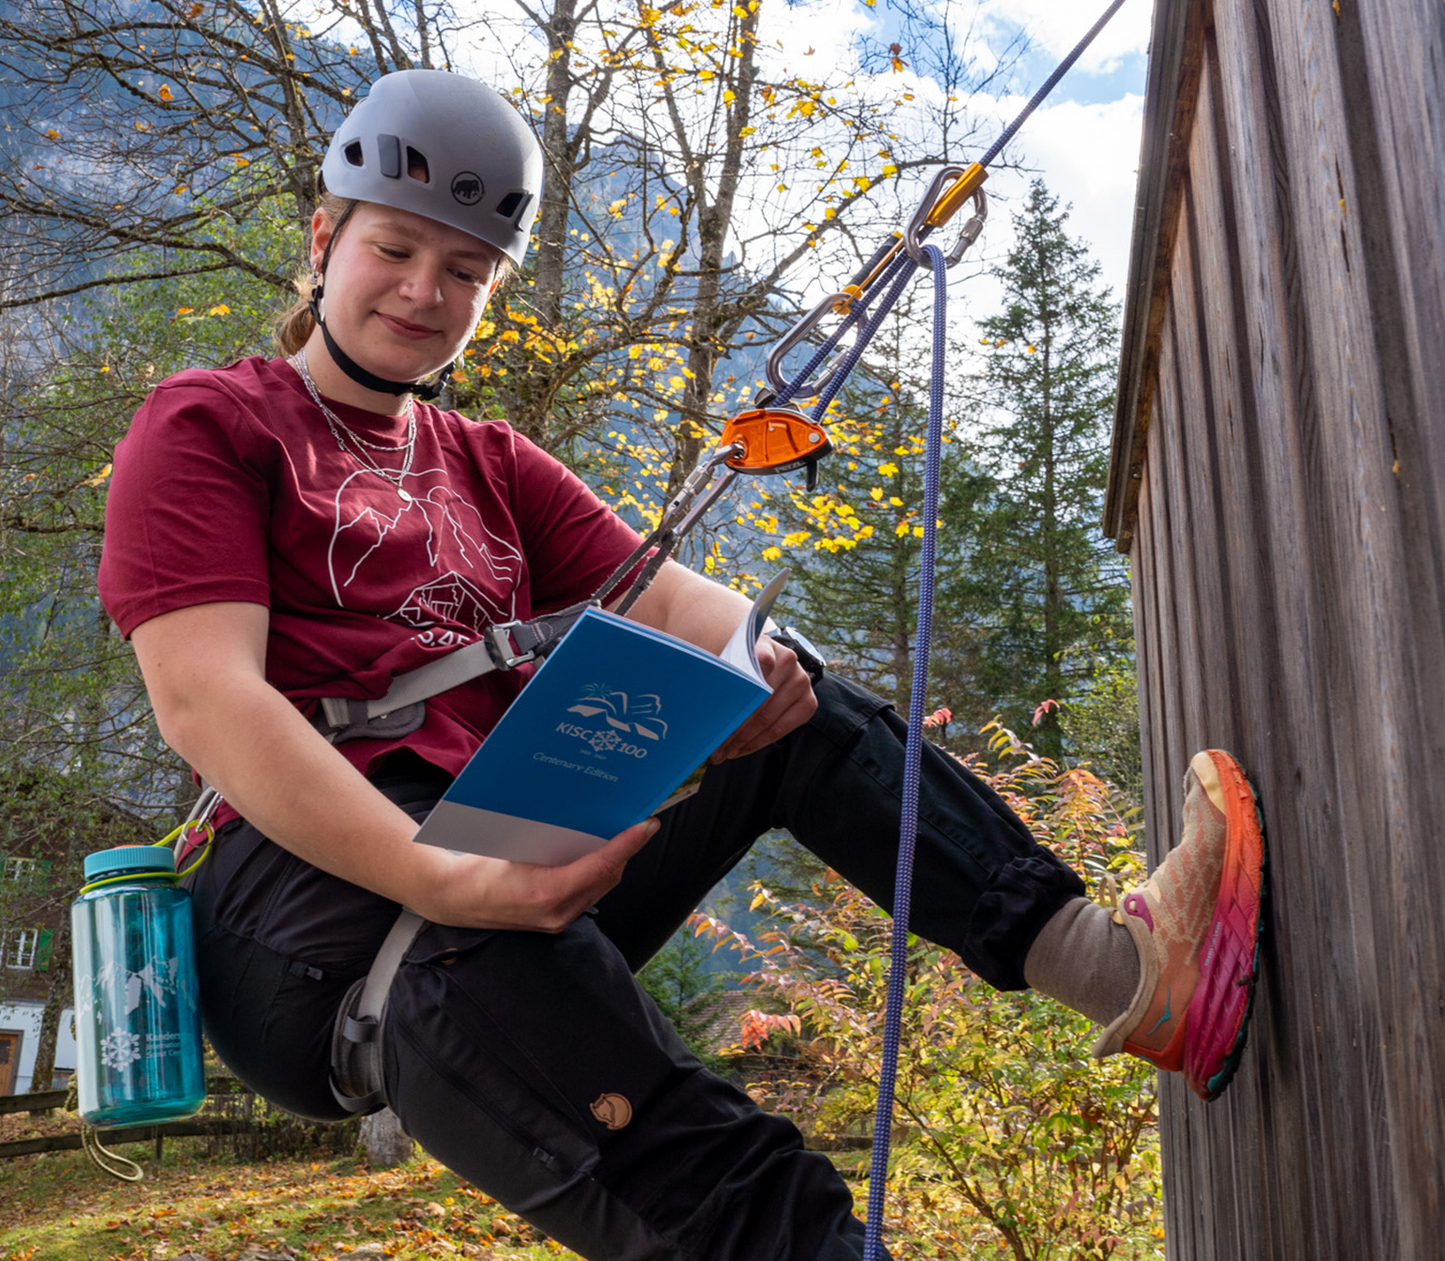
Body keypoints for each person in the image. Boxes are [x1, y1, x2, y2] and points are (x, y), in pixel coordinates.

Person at [98, 69, 1265, 1261]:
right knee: (749, 1199)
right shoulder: (212, 423)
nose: (421, 290)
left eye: (462, 271)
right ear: (324, 238)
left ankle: (1121, 971)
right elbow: (208, 698)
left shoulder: (489, 461)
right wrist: (437, 876)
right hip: (318, 906)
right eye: (393, 248)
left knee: (795, 714)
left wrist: (746, 662)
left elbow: (682, 601)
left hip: (484, 832)